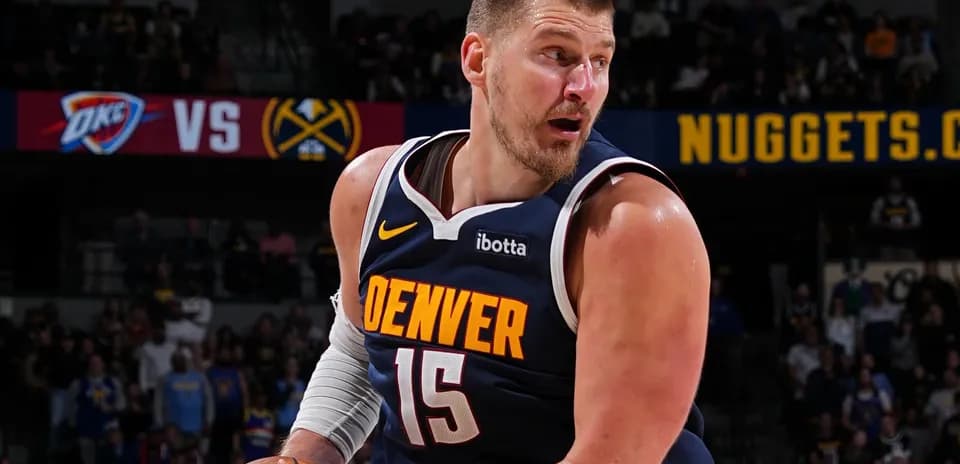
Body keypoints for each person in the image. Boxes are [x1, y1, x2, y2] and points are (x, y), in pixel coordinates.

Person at [253, 0, 712, 463]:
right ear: (477, 59)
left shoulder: (631, 223)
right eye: (558, 55)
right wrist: (304, 456)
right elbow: (358, 355)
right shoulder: (371, 190)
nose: (584, 87)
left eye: (600, 61)